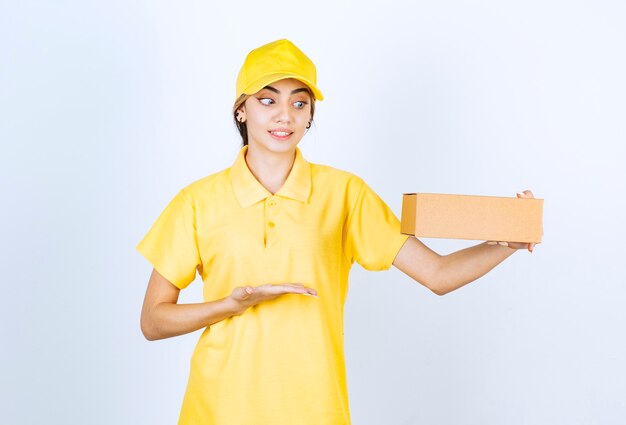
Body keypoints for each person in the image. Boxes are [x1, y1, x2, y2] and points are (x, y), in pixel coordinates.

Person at [136, 39, 537, 425]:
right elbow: (153, 321)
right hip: (219, 409)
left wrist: (507, 242)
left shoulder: (345, 194)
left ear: (310, 115)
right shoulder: (197, 201)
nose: (285, 115)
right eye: (267, 99)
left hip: (315, 410)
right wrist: (231, 305)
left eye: (299, 102)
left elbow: (438, 275)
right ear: (241, 110)